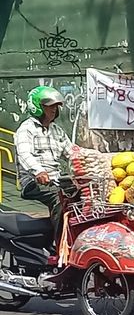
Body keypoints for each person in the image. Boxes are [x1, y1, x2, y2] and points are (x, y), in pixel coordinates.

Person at [14, 86, 75, 246]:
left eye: (56, 106)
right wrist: (38, 171)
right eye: (50, 106)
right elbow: (24, 154)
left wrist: (93, 158)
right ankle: (60, 247)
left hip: (56, 180)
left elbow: (72, 153)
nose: (54, 109)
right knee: (59, 198)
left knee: (80, 196)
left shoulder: (57, 130)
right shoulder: (26, 129)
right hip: (34, 182)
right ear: (38, 107)